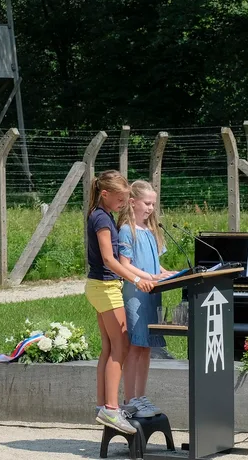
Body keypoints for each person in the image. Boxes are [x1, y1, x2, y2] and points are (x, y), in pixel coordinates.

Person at [85, 170, 155, 435]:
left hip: (98, 286)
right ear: (105, 194)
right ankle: (113, 409)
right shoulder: (102, 219)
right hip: (105, 286)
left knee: (108, 348)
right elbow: (109, 260)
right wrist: (136, 280)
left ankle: (103, 405)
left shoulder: (101, 213)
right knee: (121, 347)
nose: (124, 204)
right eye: (120, 199)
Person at [118, 180, 176, 418]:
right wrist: (150, 275)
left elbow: (154, 263)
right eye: (147, 203)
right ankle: (130, 399)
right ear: (132, 202)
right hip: (136, 295)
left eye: (153, 203)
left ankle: (141, 397)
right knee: (135, 347)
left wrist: (165, 273)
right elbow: (126, 265)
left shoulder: (151, 231)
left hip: (153, 293)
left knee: (146, 348)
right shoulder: (126, 230)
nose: (151, 208)